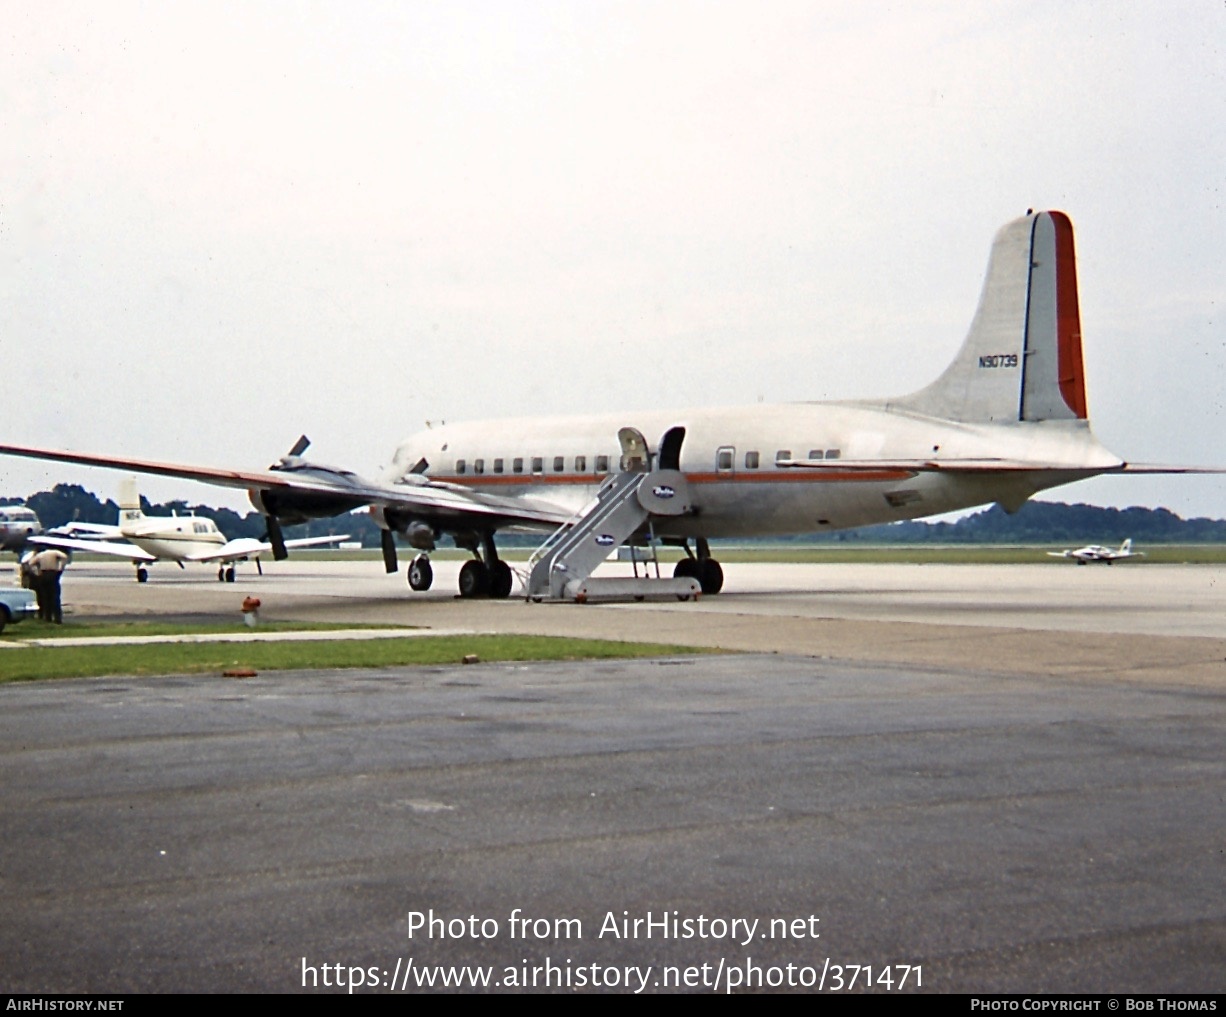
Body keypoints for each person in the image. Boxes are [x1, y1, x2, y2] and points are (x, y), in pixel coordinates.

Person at [29, 548, 68, 623]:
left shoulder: (40, 555)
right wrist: (61, 567)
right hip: (53, 574)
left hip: (43, 574)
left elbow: (31, 563)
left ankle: (47, 617)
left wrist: (37, 572)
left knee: (45, 597)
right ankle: (57, 618)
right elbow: (64, 557)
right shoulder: (55, 552)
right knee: (55, 596)